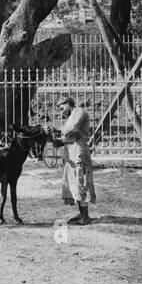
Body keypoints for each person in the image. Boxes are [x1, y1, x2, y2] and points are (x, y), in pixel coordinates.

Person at [49, 95, 96, 225]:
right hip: (71, 151)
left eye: (62, 107)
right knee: (74, 183)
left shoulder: (79, 112)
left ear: (69, 103)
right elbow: (69, 136)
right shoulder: (71, 116)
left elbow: (74, 128)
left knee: (81, 181)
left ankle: (85, 218)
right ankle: (81, 213)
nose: (61, 111)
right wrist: (54, 140)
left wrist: (58, 130)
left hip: (79, 150)